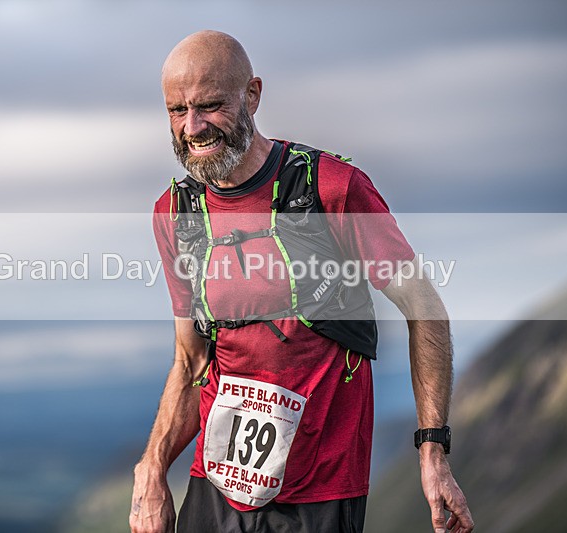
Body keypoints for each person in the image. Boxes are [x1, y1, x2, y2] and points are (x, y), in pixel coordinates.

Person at [131, 30, 474, 533]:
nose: (192, 126)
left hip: (321, 491)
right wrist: (152, 468)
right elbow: (191, 358)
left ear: (252, 96)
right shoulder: (175, 213)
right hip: (216, 484)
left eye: (209, 105)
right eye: (176, 111)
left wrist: (433, 450)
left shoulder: (334, 189)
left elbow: (424, 308)